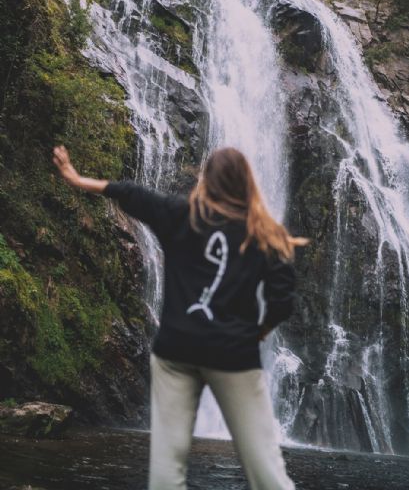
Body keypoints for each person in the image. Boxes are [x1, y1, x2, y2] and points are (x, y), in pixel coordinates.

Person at [53, 144, 308, 490]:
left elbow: (131, 193)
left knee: (166, 474)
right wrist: (259, 332)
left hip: (177, 350)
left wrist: (75, 177)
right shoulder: (266, 233)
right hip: (233, 353)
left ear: (206, 180)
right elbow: (282, 302)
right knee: (267, 472)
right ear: (247, 183)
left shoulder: (179, 212)